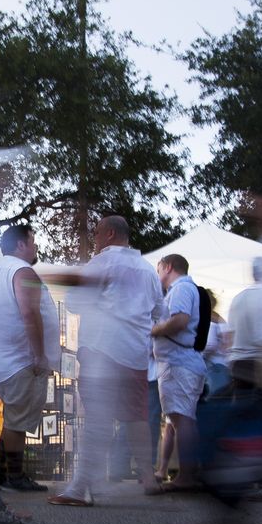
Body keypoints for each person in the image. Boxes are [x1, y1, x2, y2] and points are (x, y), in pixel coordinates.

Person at [44, 215, 159, 507]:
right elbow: (159, 310)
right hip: (134, 352)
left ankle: (82, 486)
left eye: (96, 233)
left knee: (97, 415)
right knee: (136, 415)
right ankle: (149, 477)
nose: (94, 239)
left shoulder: (101, 263)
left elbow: (74, 304)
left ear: (109, 234)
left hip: (101, 348)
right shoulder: (147, 270)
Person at [0, 224, 56, 495]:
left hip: (3, 359)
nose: (36, 246)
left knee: (14, 417)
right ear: (21, 244)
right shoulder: (23, 272)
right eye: (33, 241)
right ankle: (15, 476)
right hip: (21, 360)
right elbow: (29, 313)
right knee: (18, 422)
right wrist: (39, 355)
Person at [149, 254, 208, 490]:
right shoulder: (182, 289)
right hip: (178, 363)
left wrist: (154, 330)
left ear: (168, 267)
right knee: (179, 419)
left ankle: (186, 476)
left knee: (182, 420)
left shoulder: (182, 289)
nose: (157, 275)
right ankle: (183, 473)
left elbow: (180, 321)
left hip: (179, 364)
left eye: (158, 269)